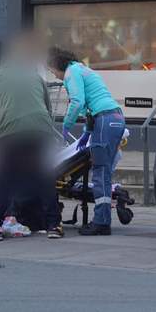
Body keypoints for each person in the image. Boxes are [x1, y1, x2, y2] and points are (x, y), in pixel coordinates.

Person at [0, 33, 61, 239]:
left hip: (12, 132)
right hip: (40, 131)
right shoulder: (36, 77)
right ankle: (54, 226)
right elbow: (48, 108)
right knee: (44, 177)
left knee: (4, 180)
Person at [49, 47, 124, 236]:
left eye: (51, 69)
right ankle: (103, 220)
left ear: (57, 65)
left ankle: (101, 222)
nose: (52, 74)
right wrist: (86, 133)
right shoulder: (82, 69)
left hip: (104, 120)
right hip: (115, 118)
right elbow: (94, 102)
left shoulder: (70, 73)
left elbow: (77, 102)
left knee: (99, 173)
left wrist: (66, 125)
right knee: (104, 173)